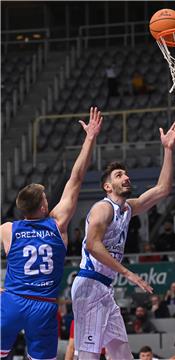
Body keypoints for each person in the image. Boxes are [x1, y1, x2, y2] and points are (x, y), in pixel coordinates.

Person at [71, 118, 175, 360]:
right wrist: (128, 273)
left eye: (126, 174)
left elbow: (163, 189)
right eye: (119, 175)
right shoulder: (103, 208)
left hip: (105, 288)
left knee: (121, 352)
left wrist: (168, 150)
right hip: (89, 286)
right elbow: (92, 245)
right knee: (88, 356)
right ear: (107, 187)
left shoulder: (128, 208)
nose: (126, 177)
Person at [0, 107, 103, 360]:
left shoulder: (8, 230)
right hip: (43, 306)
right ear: (44, 205)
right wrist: (89, 138)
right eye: (46, 197)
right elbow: (76, 178)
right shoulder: (58, 223)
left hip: (12, 301)